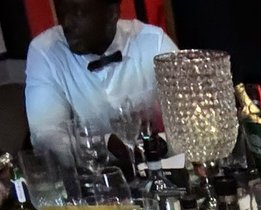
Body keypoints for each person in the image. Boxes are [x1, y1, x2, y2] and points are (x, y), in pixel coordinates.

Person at [24, 0, 176, 158]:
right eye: (63, 12)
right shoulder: (46, 52)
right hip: (94, 172)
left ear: (112, 14)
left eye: (78, 12)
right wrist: (106, 144)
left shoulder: (153, 42)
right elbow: (46, 136)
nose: (67, 23)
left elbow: (188, 112)